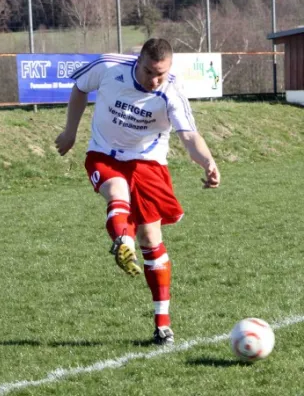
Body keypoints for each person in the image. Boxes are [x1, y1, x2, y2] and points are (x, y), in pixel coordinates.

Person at [54, 38, 221, 346]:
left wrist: (208, 161)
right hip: (105, 155)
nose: (154, 79)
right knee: (116, 188)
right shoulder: (109, 67)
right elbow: (80, 87)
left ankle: (163, 325)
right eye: (148, 71)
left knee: (151, 239)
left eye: (161, 73)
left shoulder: (171, 91)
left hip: (147, 164)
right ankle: (122, 241)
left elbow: (189, 136)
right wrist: (70, 131)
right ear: (138, 61)